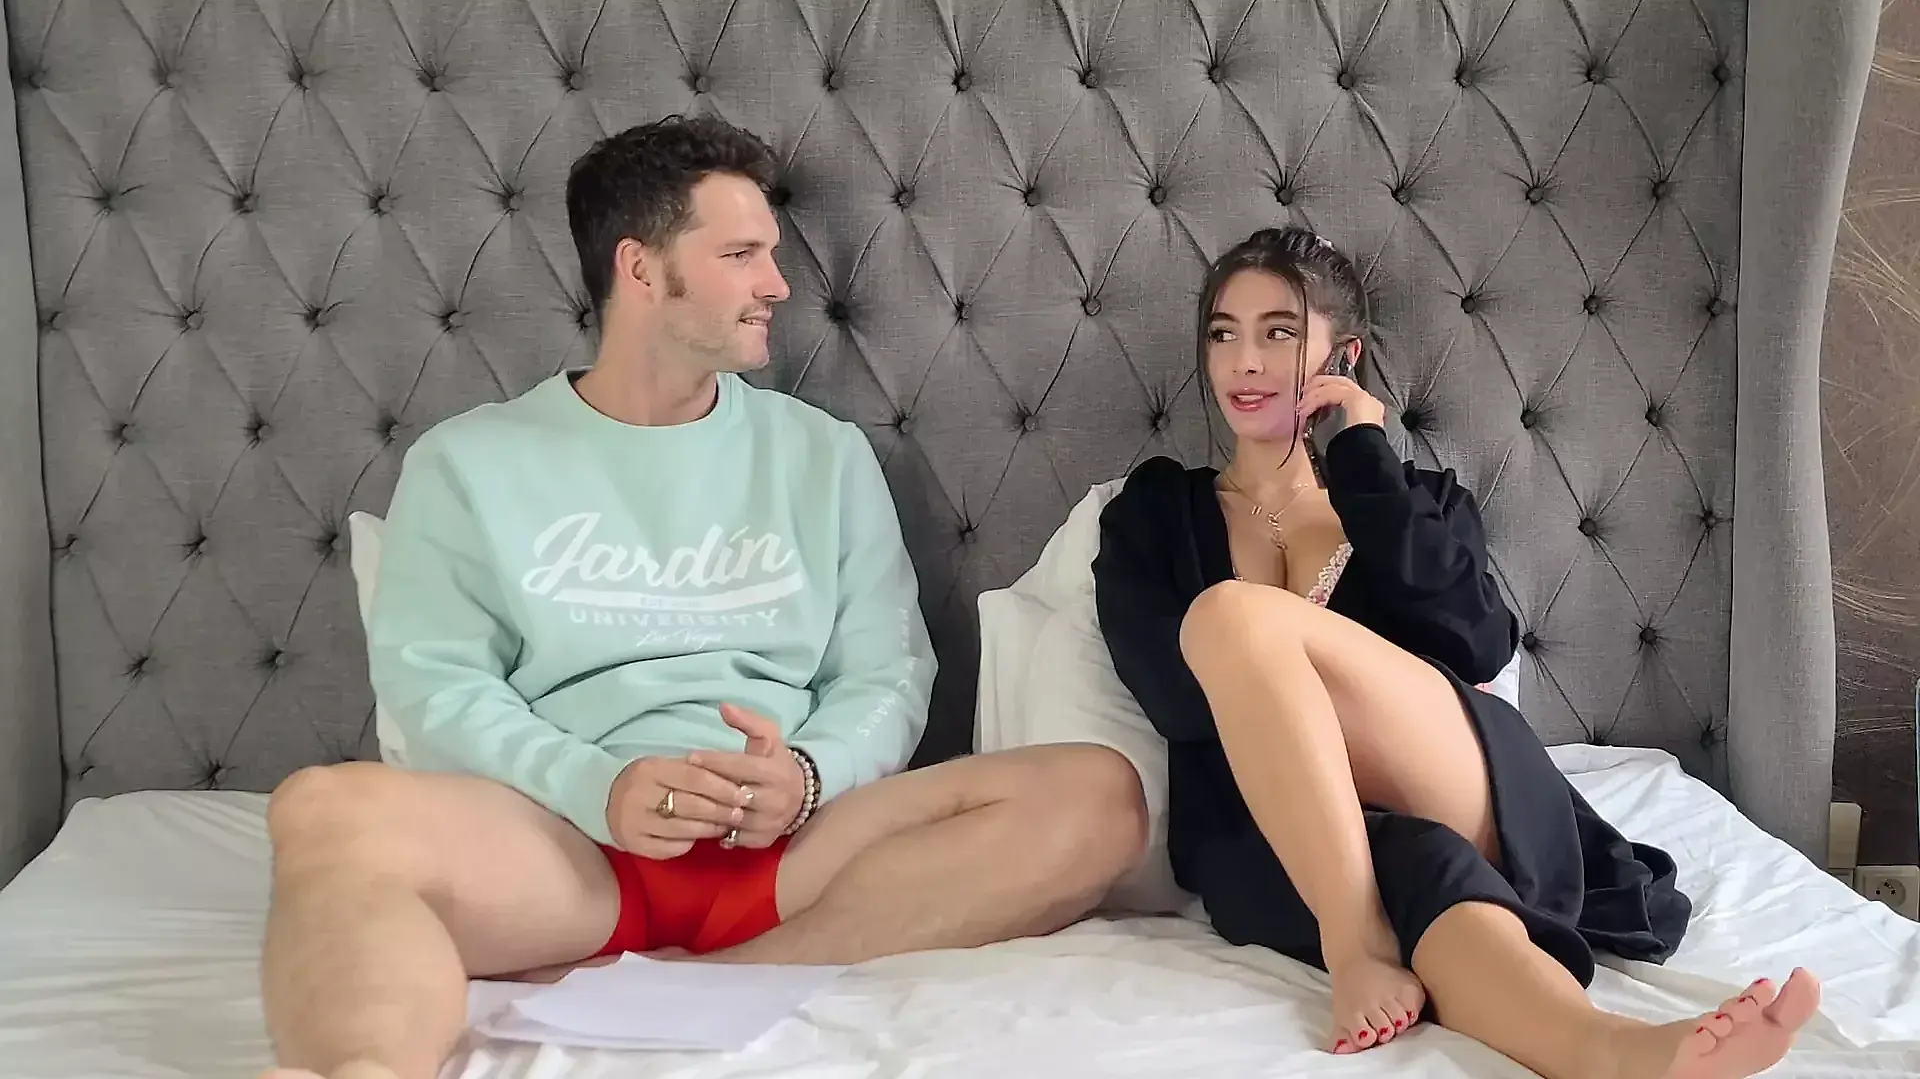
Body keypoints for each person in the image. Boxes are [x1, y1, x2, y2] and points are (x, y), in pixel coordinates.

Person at [257, 116, 1148, 1079]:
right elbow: (438, 688)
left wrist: (808, 775)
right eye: (740, 255)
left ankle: (720, 981)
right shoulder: (467, 462)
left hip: (796, 853)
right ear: (640, 268)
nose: (778, 284)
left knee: (1097, 793)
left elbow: (887, 672)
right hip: (565, 849)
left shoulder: (823, 456)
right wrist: (598, 789)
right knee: (321, 809)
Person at [1090, 226, 1822, 1079]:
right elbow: (1177, 701)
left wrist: (1363, 461)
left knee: (1232, 618)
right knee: (1423, 870)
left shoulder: (1415, 501)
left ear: (1342, 357)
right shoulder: (1152, 513)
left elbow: (1474, 644)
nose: (1244, 362)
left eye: (1279, 333)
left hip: (1456, 778)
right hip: (1274, 836)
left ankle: (1355, 943)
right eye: (1224, 334)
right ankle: (1616, 1052)